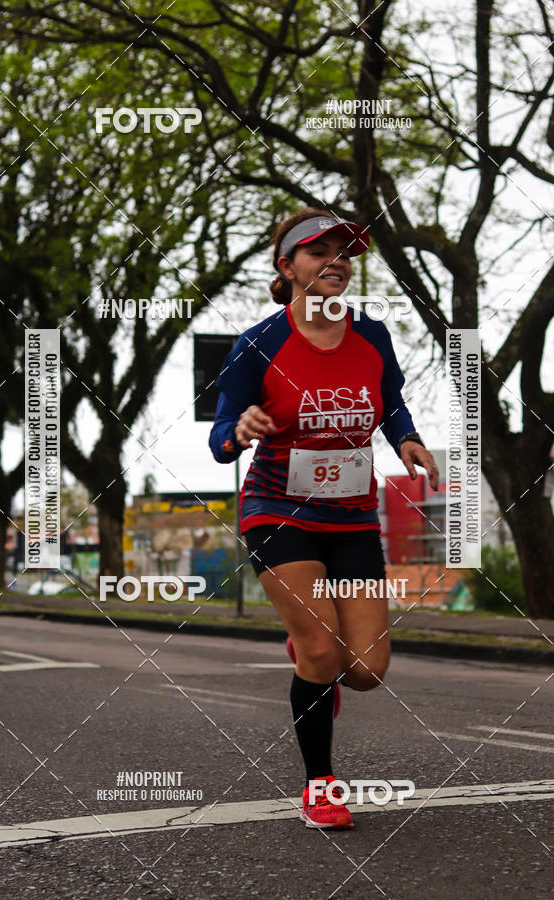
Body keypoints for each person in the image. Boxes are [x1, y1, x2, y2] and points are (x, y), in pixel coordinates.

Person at [209, 208, 439, 829]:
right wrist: (238, 430)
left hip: (353, 515)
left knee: (364, 670)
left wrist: (407, 439)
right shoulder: (260, 343)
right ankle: (321, 785)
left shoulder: (372, 334)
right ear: (287, 267)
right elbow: (220, 434)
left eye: (343, 252)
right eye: (319, 251)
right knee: (320, 650)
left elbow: (390, 401)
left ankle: (317, 660)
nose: (335, 261)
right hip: (277, 509)